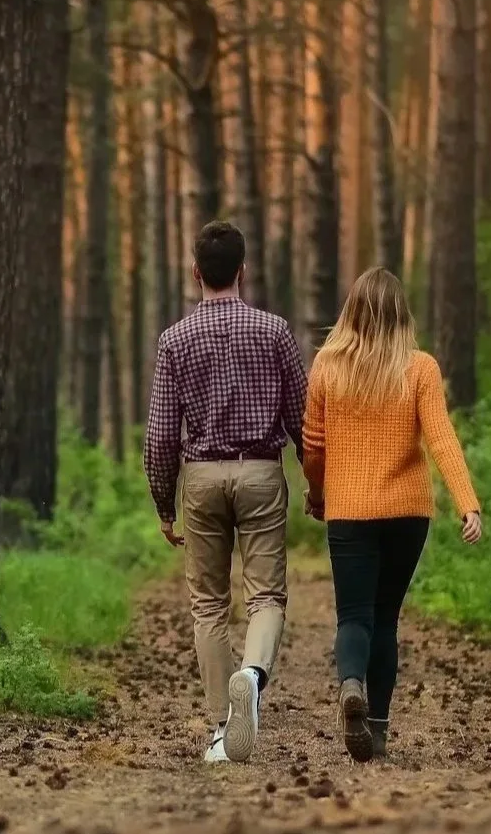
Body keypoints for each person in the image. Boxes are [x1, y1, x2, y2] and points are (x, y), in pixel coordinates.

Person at [300, 268, 483, 763]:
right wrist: (468, 503)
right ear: (402, 314)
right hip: (407, 512)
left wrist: (317, 494)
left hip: (350, 511)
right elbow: (442, 437)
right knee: (386, 617)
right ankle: (376, 731)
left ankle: (351, 683)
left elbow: (313, 447)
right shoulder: (421, 367)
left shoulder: (327, 367)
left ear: (351, 310)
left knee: (354, 616)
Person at [144, 221, 308, 765]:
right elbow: (302, 418)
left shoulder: (174, 340)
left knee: (209, 605)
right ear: (243, 270)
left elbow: (162, 434)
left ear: (196, 274)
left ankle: (220, 728)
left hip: (202, 477)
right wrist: (318, 483)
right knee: (266, 596)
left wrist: (164, 504)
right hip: (261, 471)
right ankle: (253, 677)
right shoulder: (276, 332)